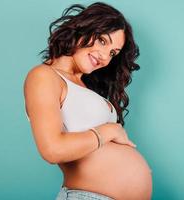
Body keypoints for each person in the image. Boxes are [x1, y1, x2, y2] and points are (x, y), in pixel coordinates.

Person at [23, 2, 152, 200]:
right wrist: (108, 131)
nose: (105, 57)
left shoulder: (85, 87)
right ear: (82, 28)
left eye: (113, 53)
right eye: (102, 40)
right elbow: (52, 149)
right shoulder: (44, 76)